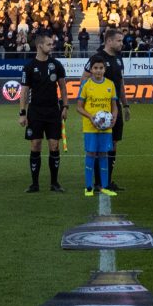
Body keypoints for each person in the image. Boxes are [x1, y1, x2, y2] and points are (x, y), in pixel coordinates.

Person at [20, 32, 68, 193]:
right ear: (40, 45)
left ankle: (54, 183)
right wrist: (22, 113)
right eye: (49, 44)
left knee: (54, 145)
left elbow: (63, 87)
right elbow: (24, 92)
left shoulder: (57, 65)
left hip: (53, 111)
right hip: (35, 112)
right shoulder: (29, 67)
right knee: (35, 145)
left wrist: (65, 107)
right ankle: (35, 184)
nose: (51, 46)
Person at [76, 56, 122, 196]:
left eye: (101, 68)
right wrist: (91, 117)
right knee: (91, 154)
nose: (98, 71)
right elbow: (79, 107)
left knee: (104, 154)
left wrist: (114, 117)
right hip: (90, 126)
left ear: (104, 69)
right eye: (95, 68)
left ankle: (105, 186)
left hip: (106, 128)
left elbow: (114, 106)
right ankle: (88, 187)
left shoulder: (110, 84)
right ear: (91, 69)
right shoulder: (86, 85)